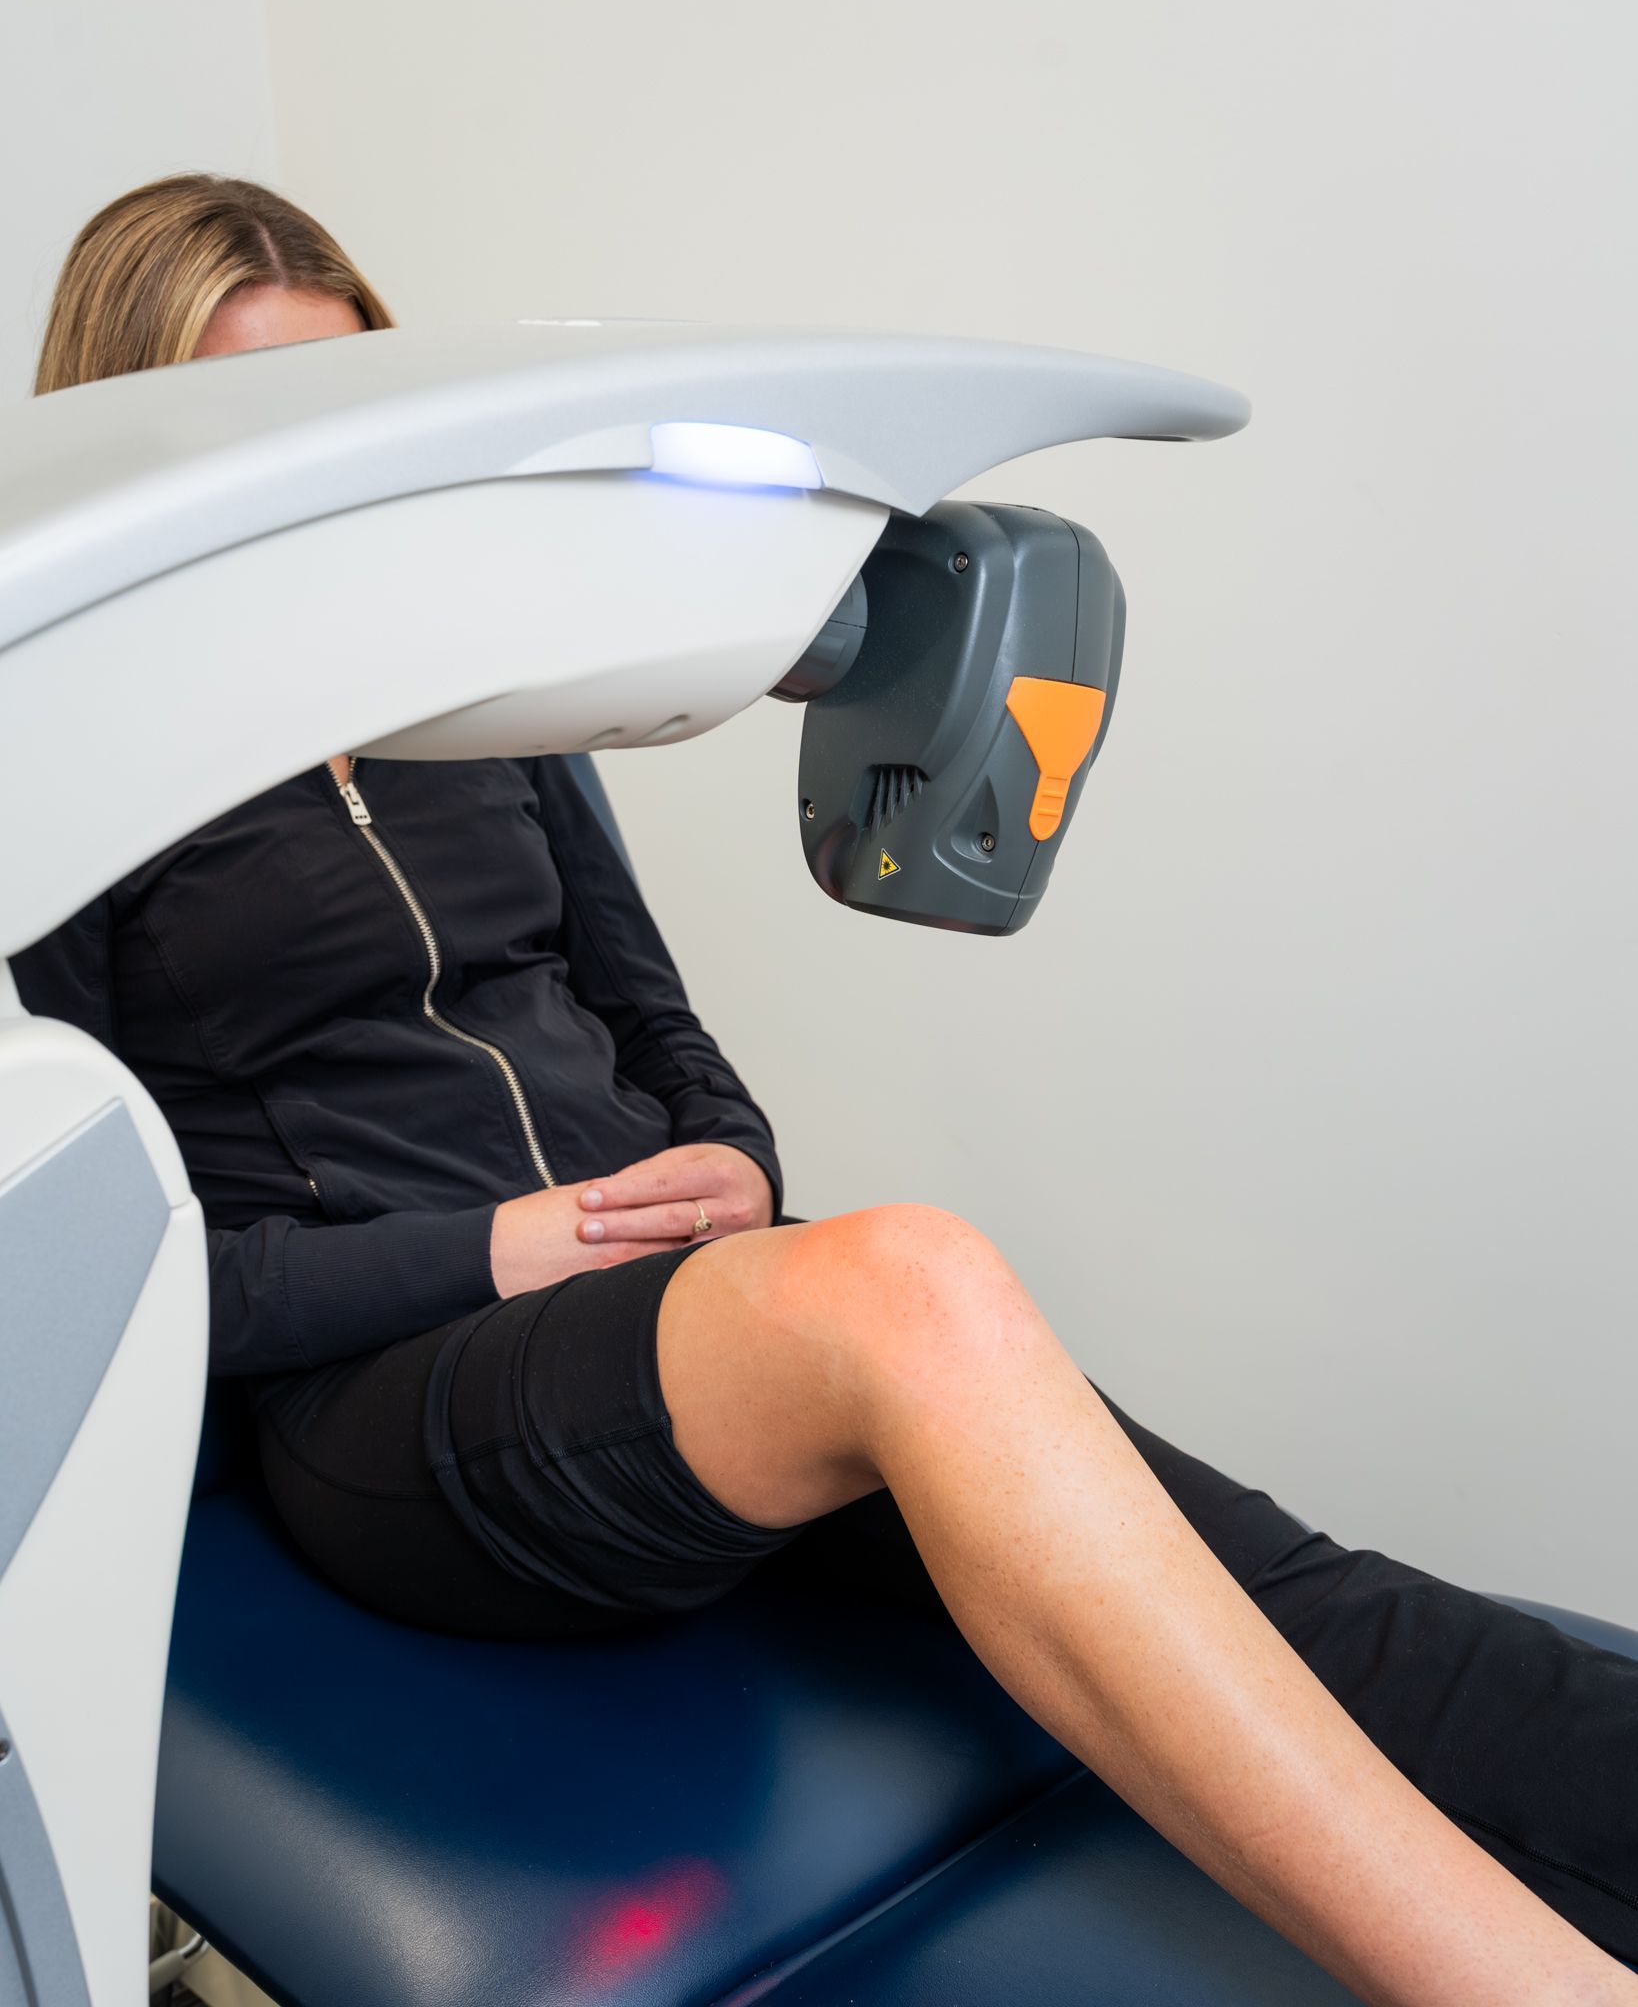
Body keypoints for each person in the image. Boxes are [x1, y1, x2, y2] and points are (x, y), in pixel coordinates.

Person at [16, 173, 1638, 2007]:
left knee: (1274, 1586)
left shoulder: (475, 709)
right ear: (152, 436)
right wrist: (495, 1251)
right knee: (911, 1278)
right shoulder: (80, 776)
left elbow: (656, 1025)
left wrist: (720, 1154)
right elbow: (148, 1287)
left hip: (689, 1325)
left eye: (351, 420)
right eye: (267, 431)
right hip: (389, 1409)